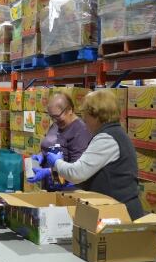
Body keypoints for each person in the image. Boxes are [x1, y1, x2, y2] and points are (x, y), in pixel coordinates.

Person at [46, 90, 144, 219]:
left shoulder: (107, 139)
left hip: (120, 213)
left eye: (86, 115)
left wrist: (56, 162)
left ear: (97, 115)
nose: (84, 119)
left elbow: (77, 173)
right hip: (115, 210)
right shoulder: (114, 133)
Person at [27, 92, 92, 189]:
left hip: (67, 191)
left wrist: (48, 171)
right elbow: (52, 146)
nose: (55, 121)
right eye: (52, 117)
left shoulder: (80, 131)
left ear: (70, 110)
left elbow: (76, 169)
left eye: (57, 117)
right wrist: (41, 156)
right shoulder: (57, 124)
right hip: (51, 188)